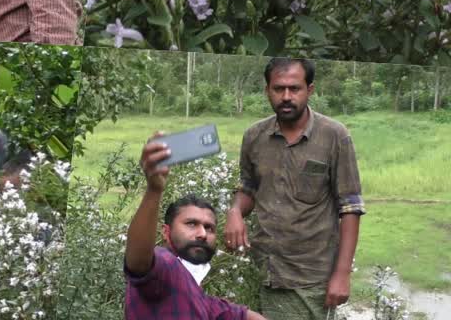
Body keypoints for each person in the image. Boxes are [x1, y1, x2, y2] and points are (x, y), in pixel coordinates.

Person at [223, 58, 365, 320]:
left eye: (294, 88)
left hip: (311, 278)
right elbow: (248, 188)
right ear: (267, 90)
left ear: (309, 90)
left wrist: (342, 273)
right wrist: (234, 211)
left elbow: (350, 207)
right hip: (263, 270)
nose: (286, 97)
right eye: (278, 89)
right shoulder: (254, 136)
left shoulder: (334, 136)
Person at [125, 134, 266, 320]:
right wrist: (154, 190)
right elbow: (138, 262)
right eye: (191, 224)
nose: (202, 234)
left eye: (209, 228)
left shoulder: (199, 297)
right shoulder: (164, 266)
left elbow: (240, 315)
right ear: (166, 232)